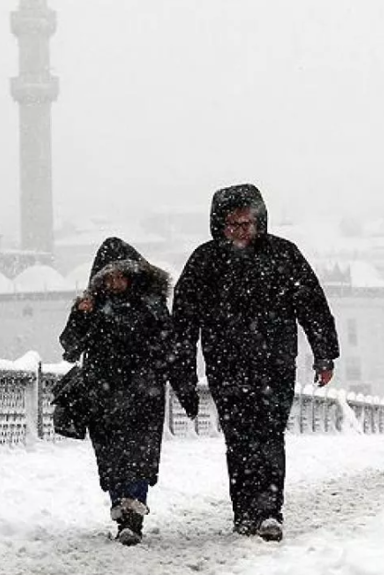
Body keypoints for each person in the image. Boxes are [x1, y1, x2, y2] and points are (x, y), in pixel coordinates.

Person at [171, 184, 339, 541]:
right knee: (239, 438)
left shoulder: (283, 255)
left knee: (268, 435)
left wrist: (324, 354)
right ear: (220, 225)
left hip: (274, 365)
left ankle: (268, 510)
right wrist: (183, 371)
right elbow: (183, 321)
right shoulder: (205, 262)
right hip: (226, 366)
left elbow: (312, 305)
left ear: (259, 222)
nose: (241, 231)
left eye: (247, 223)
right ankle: (244, 510)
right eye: (233, 224)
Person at [60, 237, 199, 546]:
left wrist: (185, 389)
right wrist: (80, 315)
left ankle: (132, 517)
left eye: (121, 275)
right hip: (103, 396)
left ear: (135, 274)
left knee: (138, 456)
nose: (116, 282)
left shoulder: (152, 307)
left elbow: (171, 351)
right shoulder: (92, 307)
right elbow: (70, 348)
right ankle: (121, 510)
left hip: (143, 396)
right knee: (111, 459)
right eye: (109, 277)